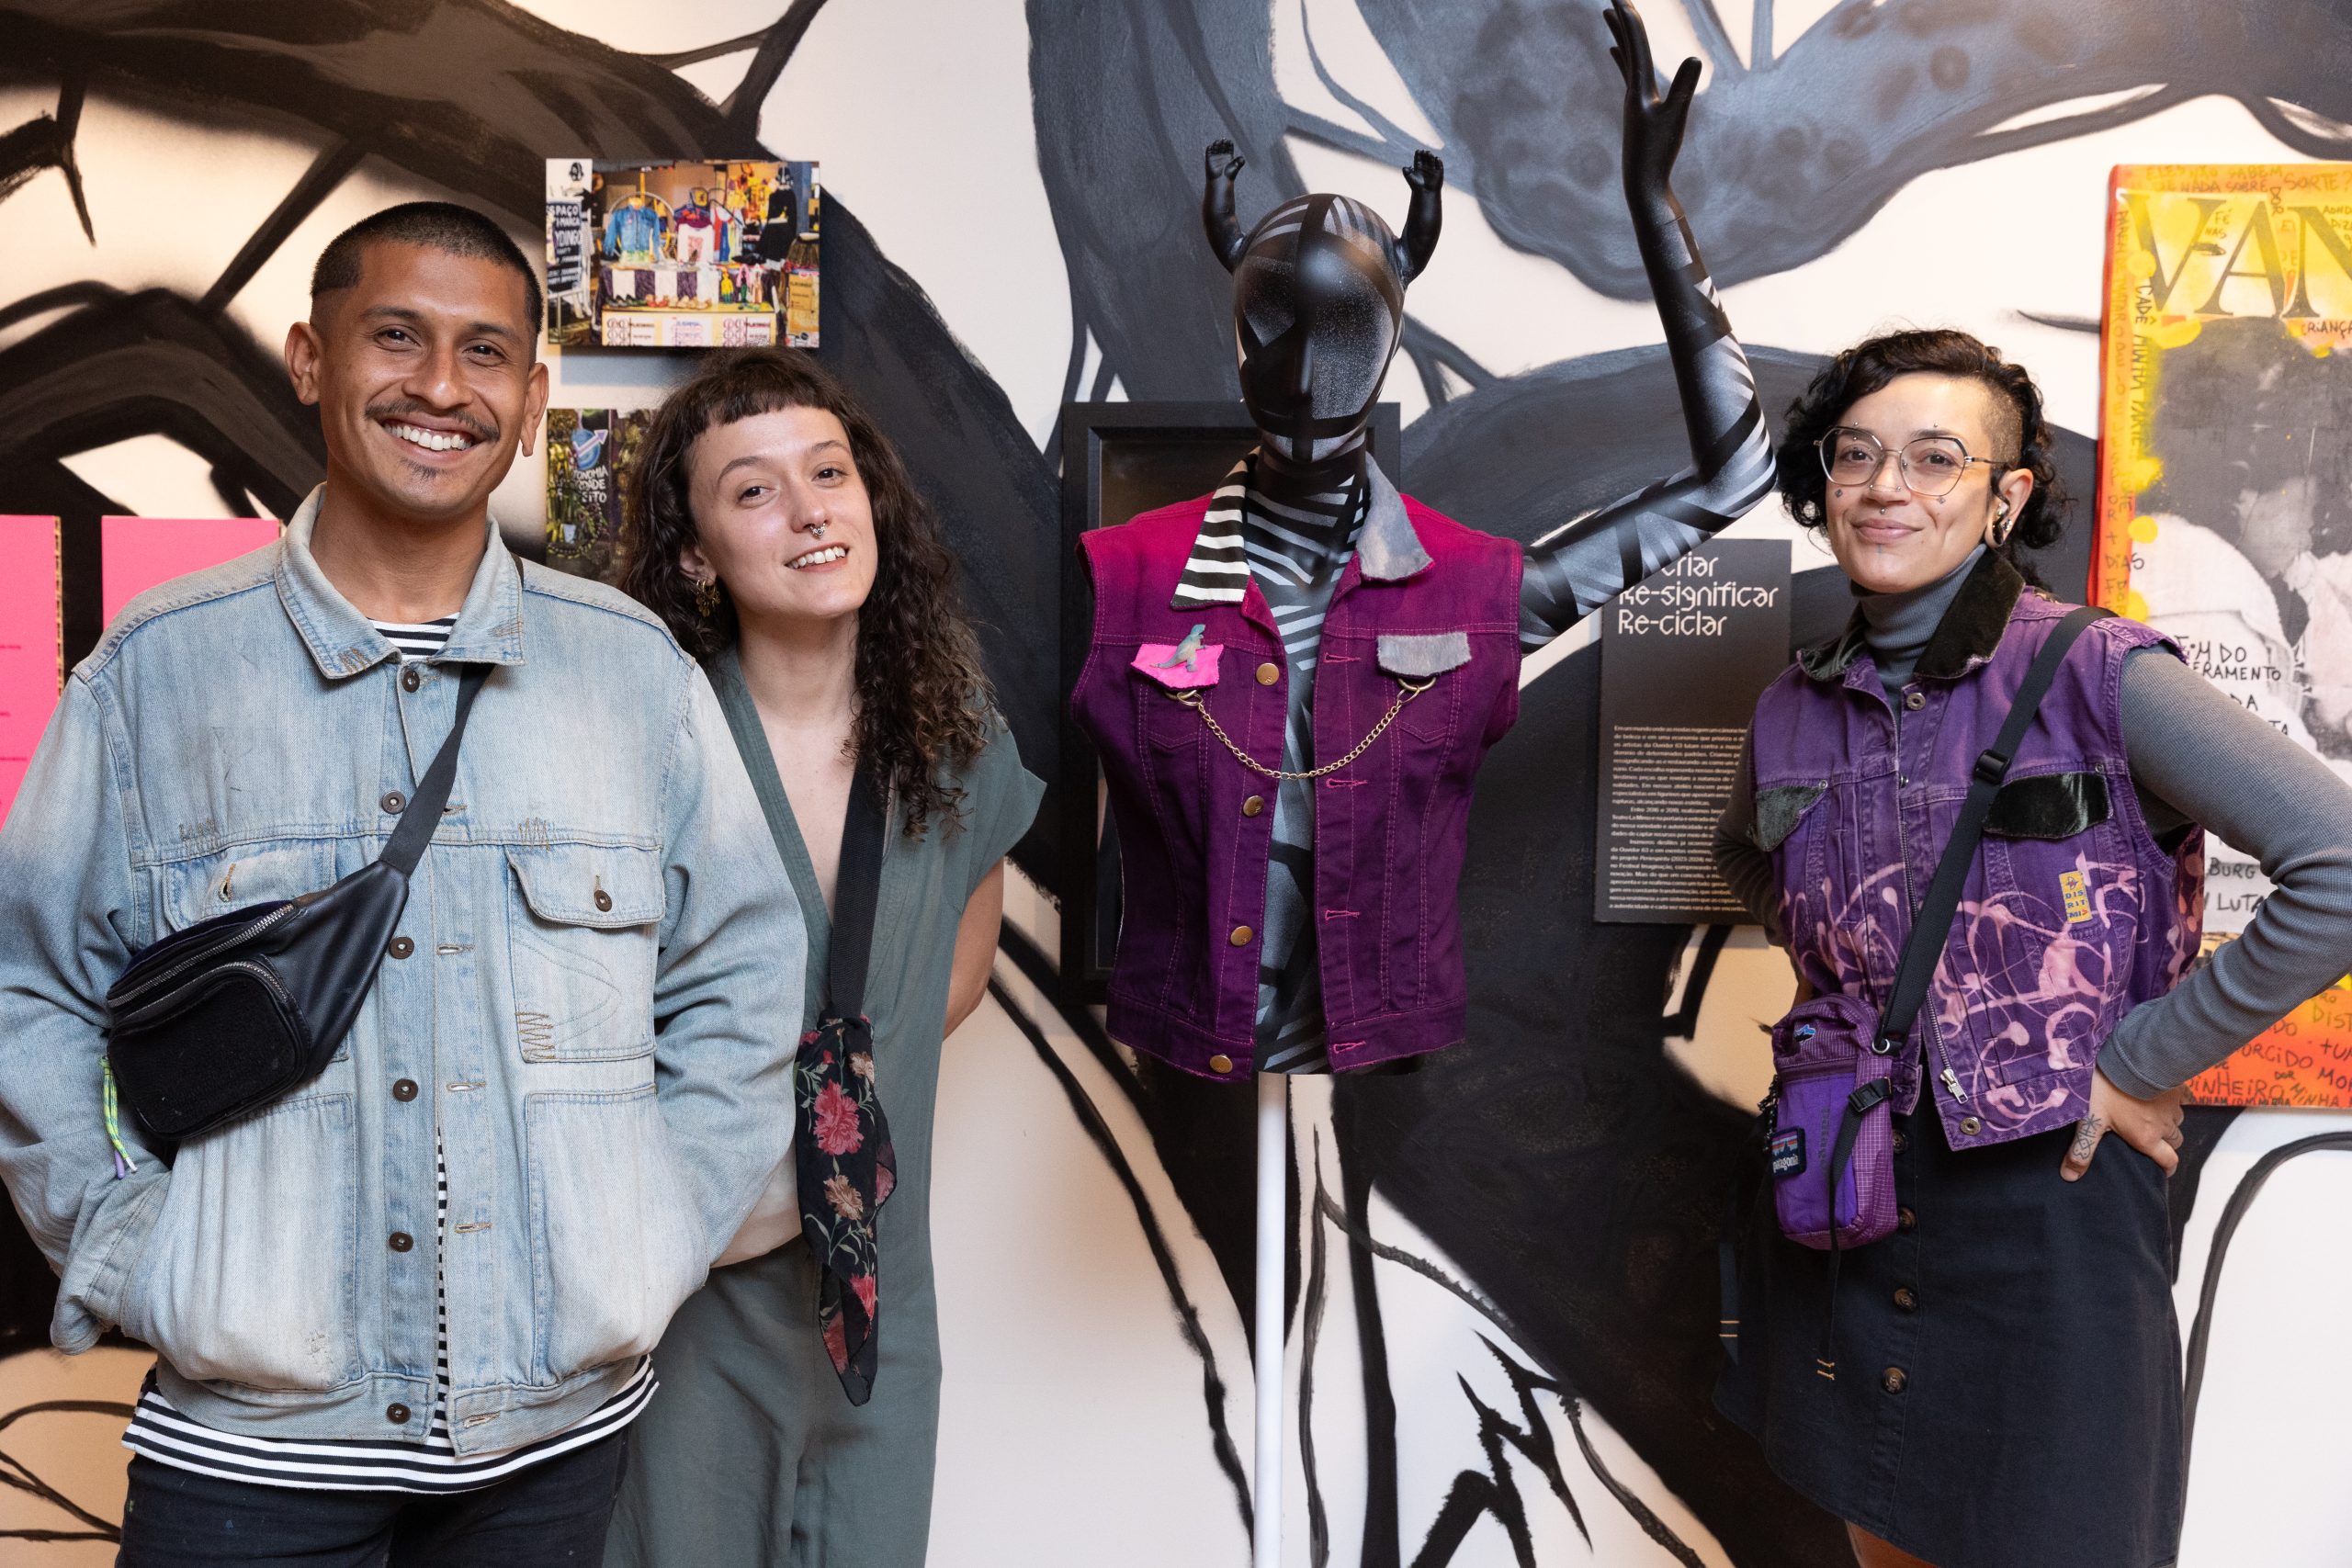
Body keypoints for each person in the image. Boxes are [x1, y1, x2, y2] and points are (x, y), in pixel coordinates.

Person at [0, 202, 803, 1566]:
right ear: (311, 360)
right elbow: (29, 991)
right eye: (396, 337)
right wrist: (138, 1248)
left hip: (550, 1447)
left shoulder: (633, 677)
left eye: (485, 353)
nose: (441, 386)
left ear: (531, 402)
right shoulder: (157, 671)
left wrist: (652, 1229)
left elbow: (742, 980)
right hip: (250, 1447)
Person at [1713, 328, 2352, 1568]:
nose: (1887, 487)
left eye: (1934, 458)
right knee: (1881, 1540)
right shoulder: (1791, 705)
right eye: (1857, 454)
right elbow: (1750, 857)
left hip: (2049, 1218)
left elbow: (2336, 866)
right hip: (1848, 1195)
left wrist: (2139, 1061)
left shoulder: (2099, 672)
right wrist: (1849, 1008)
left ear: (2005, 498)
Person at [605, 348, 1042, 1568]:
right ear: (695, 554)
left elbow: (954, 973)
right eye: (753, 489)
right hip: (692, 1305)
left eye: (830, 473)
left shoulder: (955, 744)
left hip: (881, 1306)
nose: (809, 511)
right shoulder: (644, 749)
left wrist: (833, 1104)